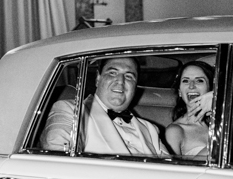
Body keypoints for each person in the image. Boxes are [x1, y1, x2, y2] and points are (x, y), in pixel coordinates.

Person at [40, 56, 168, 156]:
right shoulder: (71, 111)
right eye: (112, 73)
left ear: (135, 86)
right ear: (97, 78)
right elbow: (58, 159)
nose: (120, 81)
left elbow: (171, 174)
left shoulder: (151, 129)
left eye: (129, 76)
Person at [165, 61, 215, 158]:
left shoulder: (219, 123)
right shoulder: (175, 131)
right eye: (185, 81)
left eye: (199, 80)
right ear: (180, 92)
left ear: (210, 90)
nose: (191, 86)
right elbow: (172, 172)